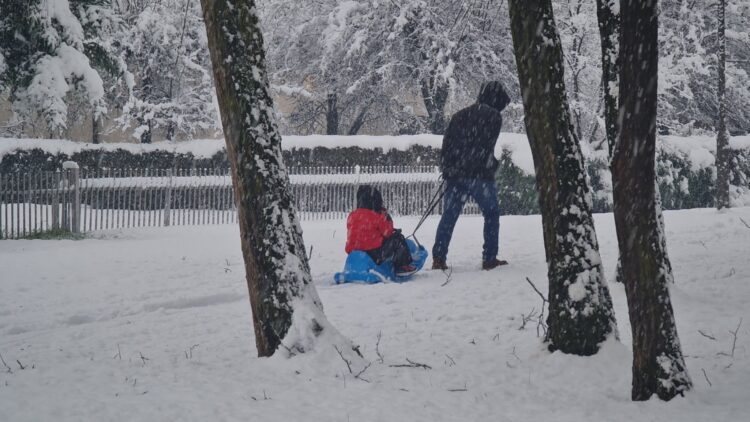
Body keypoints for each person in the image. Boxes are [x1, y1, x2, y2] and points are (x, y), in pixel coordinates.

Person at [432, 81, 510, 271]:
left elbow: (447, 144)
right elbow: (486, 147)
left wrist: (449, 168)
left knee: (449, 216)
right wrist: (490, 166)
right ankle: (489, 258)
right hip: (480, 176)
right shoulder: (494, 117)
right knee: (491, 215)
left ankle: (439, 258)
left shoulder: (460, 115)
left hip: (456, 175)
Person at [346, 185, 417, 276]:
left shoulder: (352, 215)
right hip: (374, 253)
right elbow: (388, 232)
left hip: (354, 250)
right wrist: (386, 217)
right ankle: (402, 266)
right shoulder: (376, 216)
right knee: (398, 239)